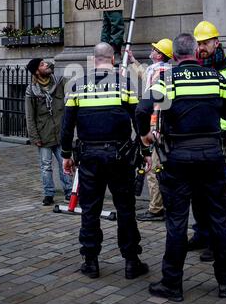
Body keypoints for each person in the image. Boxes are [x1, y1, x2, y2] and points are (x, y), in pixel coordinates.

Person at [136, 33, 226, 302]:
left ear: (174, 56)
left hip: (178, 161)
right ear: (196, 52)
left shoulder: (167, 80)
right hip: (212, 158)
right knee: (218, 220)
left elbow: (142, 110)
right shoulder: (216, 78)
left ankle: (172, 284)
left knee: (177, 223)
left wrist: (145, 137)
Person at [61, 42, 150, 279]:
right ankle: (131, 261)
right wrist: (145, 152)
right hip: (120, 157)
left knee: (90, 209)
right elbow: (138, 119)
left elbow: (67, 126)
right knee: (125, 209)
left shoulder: (76, 85)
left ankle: (90, 262)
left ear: (93, 60)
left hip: (88, 157)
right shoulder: (124, 84)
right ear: (112, 60)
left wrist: (66, 155)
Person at [188, 21, 226, 261]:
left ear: (216, 43)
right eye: (198, 43)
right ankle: (202, 233)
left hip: (221, 143)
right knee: (198, 193)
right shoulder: (190, 68)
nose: (201, 47)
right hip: (197, 142)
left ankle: (219, 240)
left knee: (221, 194)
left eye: (205, 43)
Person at [127, 39, 173, 221]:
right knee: (157, 167)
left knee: (153, 168)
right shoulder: (158, 70)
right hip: (159, 126)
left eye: (154, 49)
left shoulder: (159, 72)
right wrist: (132, 60)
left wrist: (150, 130)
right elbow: (143, 74)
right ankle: (160, 204)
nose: (151, 50)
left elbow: (157, 101)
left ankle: (156, 209)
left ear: (160, 54)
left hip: (154, 126)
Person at [25, 58, 72, 206]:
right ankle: (48, 194)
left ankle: (69, 192)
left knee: (64, 163)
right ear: (36, 71)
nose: (46, 65)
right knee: (45, 166)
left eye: (46, 63)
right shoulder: (31, 90)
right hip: (43, 134)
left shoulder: (60, 82)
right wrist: (34, 137)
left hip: (60, 132)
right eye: (42, 64)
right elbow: (29, 116)